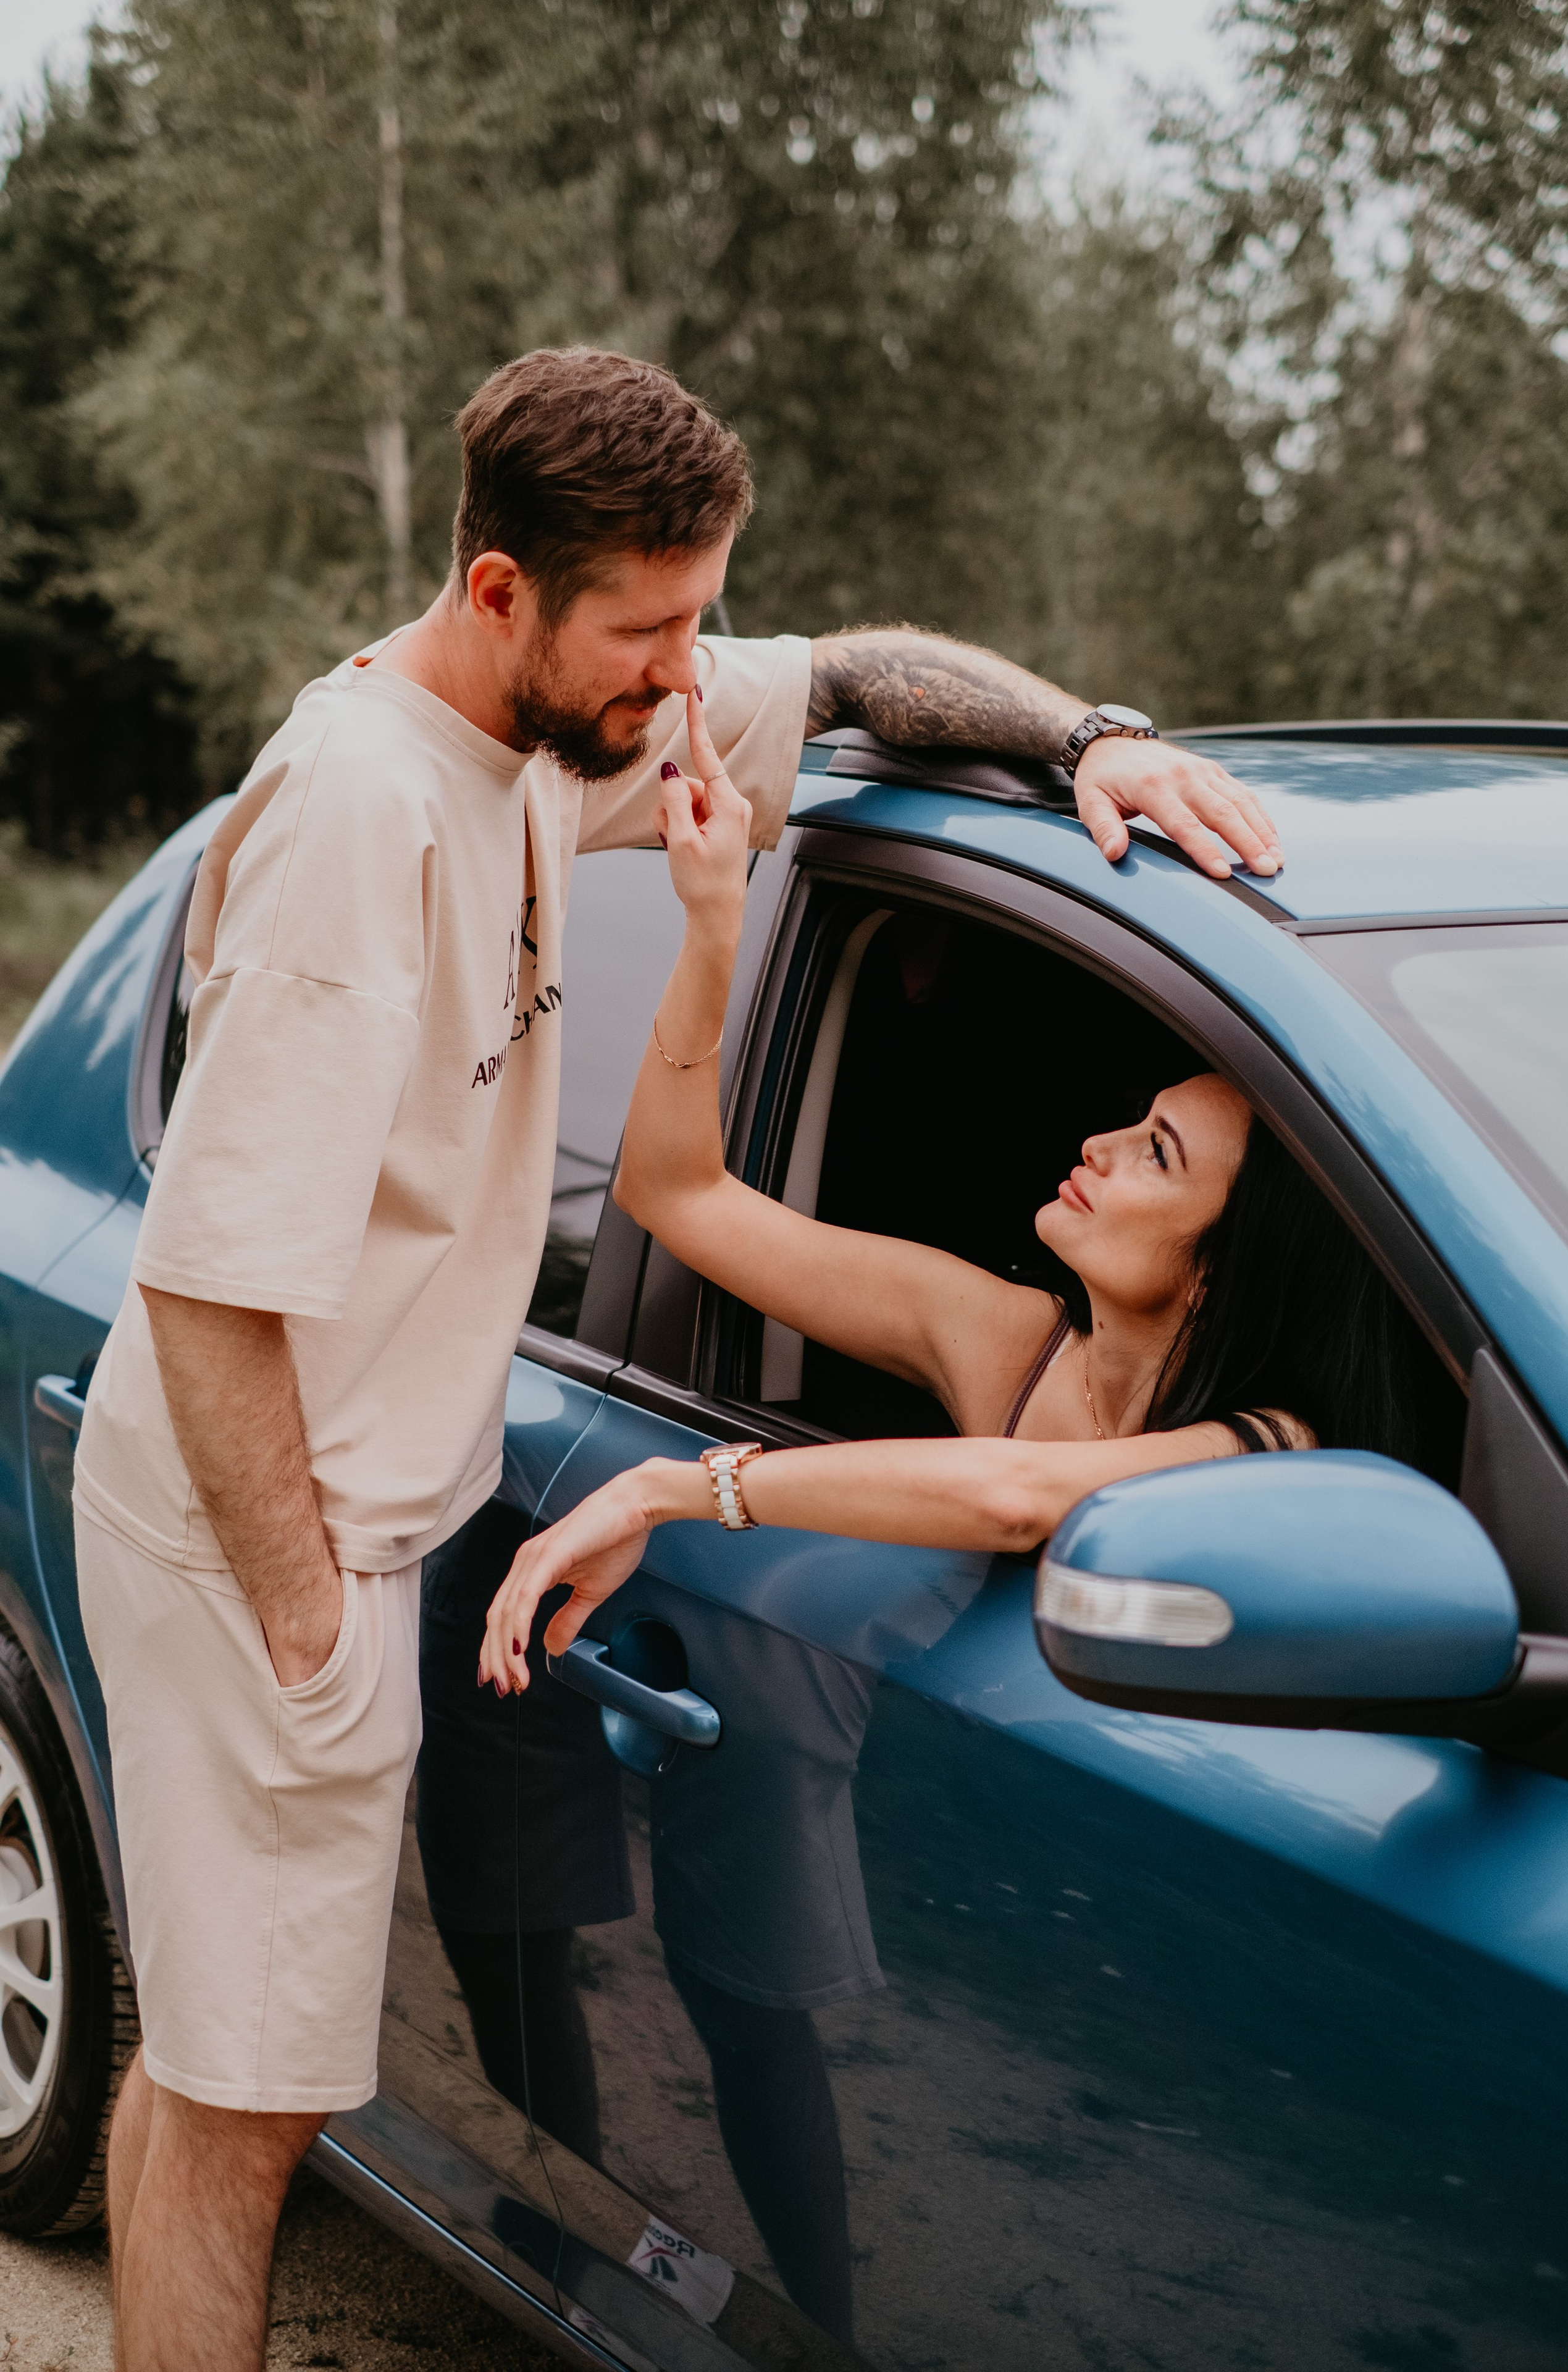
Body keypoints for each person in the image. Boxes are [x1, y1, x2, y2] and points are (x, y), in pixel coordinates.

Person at [72, 342, 1280, 2370]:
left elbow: (868, 675)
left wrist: (1097, 741)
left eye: (700, 619)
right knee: (255, 2106)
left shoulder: (565, 729)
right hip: (263, 1541)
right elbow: (207, 1290)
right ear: (498, 596)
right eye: (648, 636)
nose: (684, 677)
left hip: (377, 1511)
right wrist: (306, 1631)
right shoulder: (361, 828)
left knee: (210, 2058)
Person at [478, 697, 1428, 1688]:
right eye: (1137, 1122)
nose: (1100, 1145)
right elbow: (678, 1197)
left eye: (1157, 1154)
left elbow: (1017, 1497)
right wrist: (715, 922)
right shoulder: (1008, 1337)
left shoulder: (1269, 1447)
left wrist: (670, 1489)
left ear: (1218, 1275)